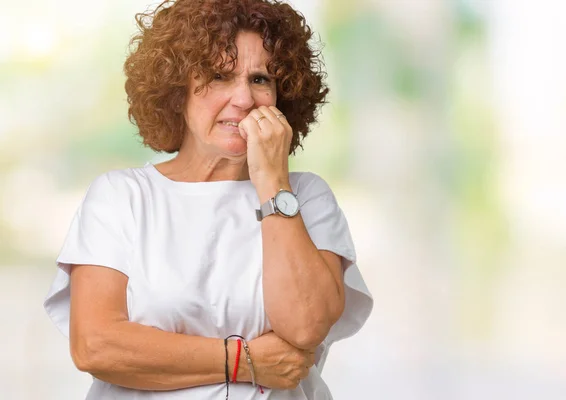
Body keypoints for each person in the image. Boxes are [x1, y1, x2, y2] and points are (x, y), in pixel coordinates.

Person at [43, 0, 373, 398]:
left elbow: (305, 326)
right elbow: (97, 346)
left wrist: (271, 180)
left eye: (260, 79)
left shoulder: (304, 196)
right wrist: (246, 360)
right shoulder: (121, 198)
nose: (243, 99)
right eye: (219, 76)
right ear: (176, 88)